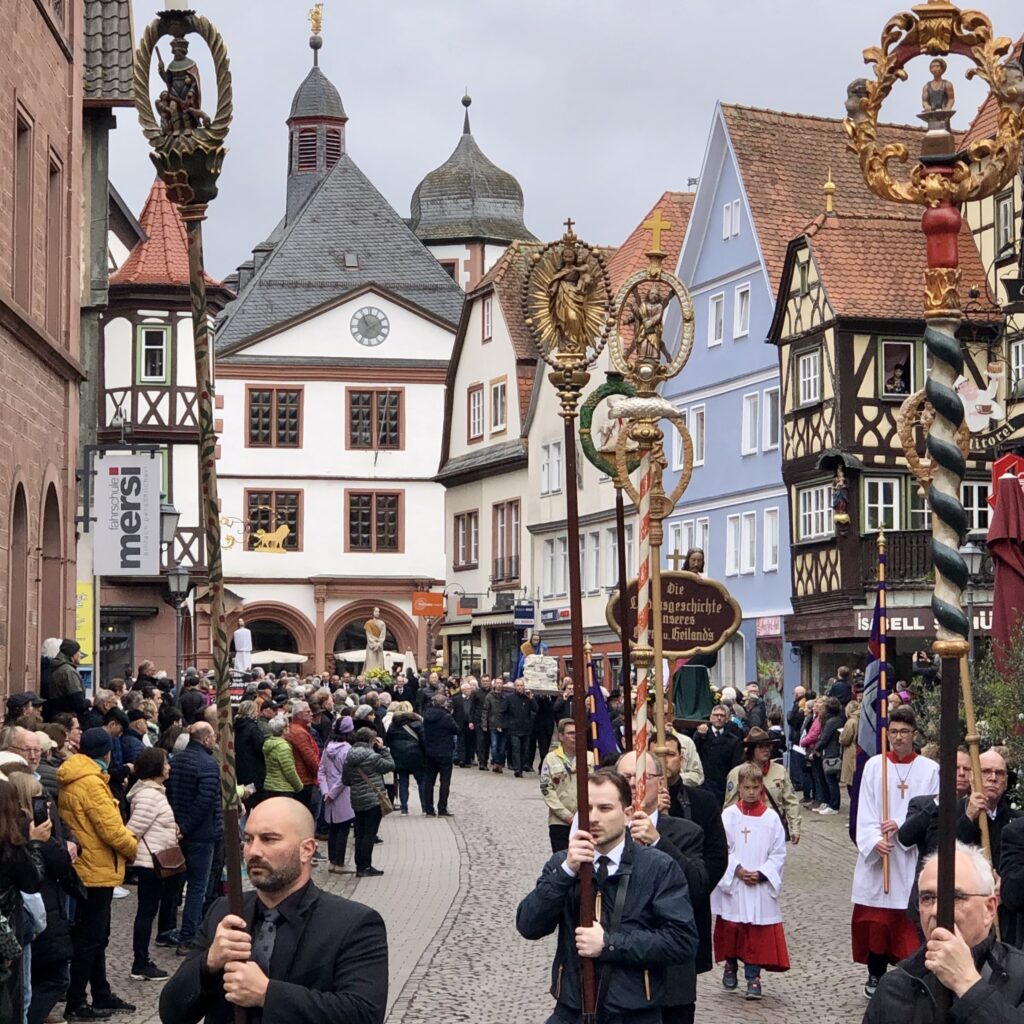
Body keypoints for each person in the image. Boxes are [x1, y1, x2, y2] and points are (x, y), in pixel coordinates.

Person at [159, 797, 388, 1024]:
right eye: (248, 839)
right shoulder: (224, 912)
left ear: (306, 850)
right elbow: (172, 1012)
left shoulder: (353, 923)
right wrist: (208, 963)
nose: (253, 851)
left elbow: (364, 1013)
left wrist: (267, 994)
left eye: (269, 839)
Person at [516, 769, 699, 1024]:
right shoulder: (563, 865)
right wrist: (566, 872)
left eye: (604, 808)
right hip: (572, 1010)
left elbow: (682, 941)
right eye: (587, 808)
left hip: (634, 1013)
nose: (593, 818)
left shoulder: (658, 867)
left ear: (626, 815)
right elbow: (528, 925)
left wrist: (610, 944)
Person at [864, 842, 1024, 1023]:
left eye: (955, 898)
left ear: (989, 909)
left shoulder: (1020, 977)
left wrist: (968, 984)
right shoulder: (894, 988)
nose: (935, 911)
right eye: (927, 898)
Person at [851, 707, 939, 998]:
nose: (898, 738)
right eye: (894, 732)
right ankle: (875, 974)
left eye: (904, 732)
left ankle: (909, 977)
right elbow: (864, 808)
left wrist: (902, 826)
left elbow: (932, 809)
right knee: (877, 922)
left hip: (910, 854)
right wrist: (873, 839)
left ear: (914, 734)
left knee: (907, 921)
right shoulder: (875, 766)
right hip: (881, 856)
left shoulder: (930, 770)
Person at [617, 749, 706, 1024]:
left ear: (661, 783)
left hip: (669, 982)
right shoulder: (601, 833)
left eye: (642, 776)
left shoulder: (687, 833)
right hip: (616, 980)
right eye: (626, 776)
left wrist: (658, 842)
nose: (633, 783)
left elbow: (697, 888)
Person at [57, 727, 139, 1019]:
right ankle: (77, 1000)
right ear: (106, 752)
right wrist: (134, 847)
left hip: (89, 864)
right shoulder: (90, 782)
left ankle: (100, 992)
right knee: (90, 937)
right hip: (95, 867)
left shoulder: (77, 776)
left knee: (96, 935)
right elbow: (111, 828)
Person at [713, 761, 790, 1000]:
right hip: (735, 883)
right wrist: (736, 869)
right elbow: (720, 848)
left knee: (755, 931)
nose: (751, 792)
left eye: (755, 787)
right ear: (739, 788)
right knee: (733, 927)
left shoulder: (771, 819)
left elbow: (778, 852)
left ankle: (753, 978)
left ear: (762, 789)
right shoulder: (728, 816)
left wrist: (763, 872)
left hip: (759, 884)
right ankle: (731, 964)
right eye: (746, 787)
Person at [165, 722, 223, 957]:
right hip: (200, 834)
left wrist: (179, 825)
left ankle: (173, 931)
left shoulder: (177, 760)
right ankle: (189, 936)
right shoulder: (208, 764)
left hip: (180, 831)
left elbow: (171, 793)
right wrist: (186, 827)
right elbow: (205, 801)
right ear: (206, 739)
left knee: (177, 884)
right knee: (198, 887)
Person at [125, 747, 179, 982]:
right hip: (150, 863)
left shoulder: (154, 792)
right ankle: (140, 961)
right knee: (146, 913)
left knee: (149, 911)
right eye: (166, 763)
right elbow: (132, 831)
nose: (169, 767)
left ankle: (143, 959)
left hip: (154, 859)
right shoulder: (148, 795)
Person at [0, 777, 47, 1022]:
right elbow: (33, 881)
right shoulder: (11, 847)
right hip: (6, 929)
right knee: (13, 994)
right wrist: (36, 843)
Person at [723, 727, 802, 844]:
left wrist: (795, 828)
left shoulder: (779, 771)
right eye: (761, 747)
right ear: (751, 750)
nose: (766, 750)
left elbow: (791, 801)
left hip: (773, 828)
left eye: (768, 746)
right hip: (746, 830)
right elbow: (730, 805)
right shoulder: (737, 773)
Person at [342, 728, 394, 878]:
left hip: (357, 799)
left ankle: (360, 865)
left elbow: (345, 780)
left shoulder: (349, 757)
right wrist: (384, 749)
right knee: (369, 834)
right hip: (372, 799)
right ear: (371, 740)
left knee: (360, 833)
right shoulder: (372, 756)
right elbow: (390, 766)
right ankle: (365, 866)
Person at [540, 719, 591, 853]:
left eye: (577, 733)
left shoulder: (590, 757)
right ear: (561, 736)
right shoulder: (551, 759)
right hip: (560, 821)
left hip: (586, 820)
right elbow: (546, 789)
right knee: (562, 860)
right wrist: (566, 815)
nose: (575, 736)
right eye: (570, 733)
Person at [317, 716, 355, 873]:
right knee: (342, 829)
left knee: (333, 828)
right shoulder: (346, 750)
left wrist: (325, 791)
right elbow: (344, 776)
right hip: (342, 793)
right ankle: (339, 862)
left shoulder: (327, 747)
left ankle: (332, 861)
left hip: (329, 794)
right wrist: (332, 793)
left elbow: (322, 771)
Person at [694, 704, 743, 804]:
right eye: (716, 715)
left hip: (723, 786)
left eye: (722, 715)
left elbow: (735, 765)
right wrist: (700, 737)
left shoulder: (733, 740)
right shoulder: (701, 735)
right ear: (711, 717)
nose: (719, 718)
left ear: (727, 719)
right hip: (705, 784)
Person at [385, 701, 426, 815]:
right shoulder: (418, 723)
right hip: (416, 756)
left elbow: (387, 740)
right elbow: (423, 740)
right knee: (421, 781)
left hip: (399, 756)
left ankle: (404, 809)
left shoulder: (393, 724)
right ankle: (424, 807)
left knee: (403, 781)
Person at [422, 692, 458, 817]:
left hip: (430, 751)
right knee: (444, 781)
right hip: (444, 752)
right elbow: (456, 730)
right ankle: (442, 808)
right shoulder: (446, 717)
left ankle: (429, 809)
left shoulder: (427, 715)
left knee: (429, 781)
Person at [284, 702, 321, 811]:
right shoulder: (299, 732)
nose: (311, 714)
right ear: (299, 715)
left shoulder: (295, 729)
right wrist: (319, 774)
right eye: (308, 712)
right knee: (307, 815)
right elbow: (310, 758)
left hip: (301, 778)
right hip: (304, 780)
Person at [814, 696, 846, 814]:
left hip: (831, 752)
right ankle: (830, 803)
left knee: (830, 780)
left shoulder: (832, 722)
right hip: (832, 751)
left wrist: (816, 749)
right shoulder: (838, 719)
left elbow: (825, 738)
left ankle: (833, 805)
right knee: (830, 780)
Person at [43, 640, 89, 721]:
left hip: (59, 716)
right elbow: (78, 703)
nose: (80, 655)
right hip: (69, 718)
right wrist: (90, 702)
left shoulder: (56, 667)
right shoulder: (69, 672)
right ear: (73, 654)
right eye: (78, 652)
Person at [262, 715, 303, 799]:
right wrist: (299, 786)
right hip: (283, 789)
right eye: (287, 727)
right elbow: (289, 771)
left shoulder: (268, 744)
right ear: (284, 730)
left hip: (269, 786)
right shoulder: (283, 747)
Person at [504, 679, 538, 778]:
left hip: (526, 728)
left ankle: (522, 766)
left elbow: (536, 709)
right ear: (515, 687)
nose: (519, 687)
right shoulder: (510, 698)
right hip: (514, 728)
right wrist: (507, 723)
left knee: (525, 749)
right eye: (518, 686)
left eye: (521, 686)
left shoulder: (527, 698)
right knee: (516, 748)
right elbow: (504, 711)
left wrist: (531, 698)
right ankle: (517, 769)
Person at [233, 700, 266, 792]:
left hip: (240, 768)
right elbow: (261, 749)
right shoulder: (253, 729)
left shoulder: (235, 727)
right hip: (254, 770)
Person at [451, 682, 476, 768]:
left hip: (470, 723)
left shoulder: (473, 699)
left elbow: (474, 711)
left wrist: (472, 721)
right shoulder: (456, 699)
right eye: (467, 689)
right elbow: (454, 711)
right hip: (460, 723)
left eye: (470, 689)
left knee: (469, 742)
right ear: (463, 690)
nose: (469, 691)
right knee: (460, 742)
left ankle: (468, 759)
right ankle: (461, 759)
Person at [485, 681, 507, 774]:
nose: (499, 685)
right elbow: (485, 710)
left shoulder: (505, 696)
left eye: (500, 683)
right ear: (494, 685)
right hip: (493, 724)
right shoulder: (489, 696)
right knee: (494, 745)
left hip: (504, 725)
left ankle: (500, 762)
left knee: (502, 747)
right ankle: (496, 763)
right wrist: (484, 724)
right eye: (497, 683)